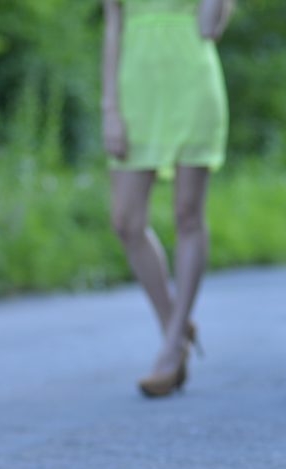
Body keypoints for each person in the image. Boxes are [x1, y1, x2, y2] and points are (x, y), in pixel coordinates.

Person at [102, 0, 233, 397]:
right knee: (126, 221)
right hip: (135, 92)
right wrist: (109, 108)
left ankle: (173, 344)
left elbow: (209, 27)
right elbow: (113, 26)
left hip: (191, 88)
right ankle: (173, 324)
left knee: (187, 215)